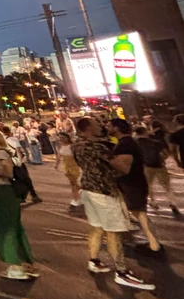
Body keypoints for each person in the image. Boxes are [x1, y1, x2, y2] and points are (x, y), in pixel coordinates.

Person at [73, 117, 154, 290]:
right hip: (104, 193)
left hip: (88, 190)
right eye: (96, 124)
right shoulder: (99, 147)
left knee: (97, 228)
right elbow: (122, 167)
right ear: (88, 128)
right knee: (114, 232)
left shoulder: (77, 145)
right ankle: (122, 272)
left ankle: (94, 261)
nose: (101, 126)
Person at [0, 130, 38, 280]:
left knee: (5, 228)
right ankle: (26, 263)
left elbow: (9, 173)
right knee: (14, 226)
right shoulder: (4, 152)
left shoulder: (1, 153)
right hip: (6, 193)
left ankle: (15, 266)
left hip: (5, 192)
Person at [110, 121, 161, 255]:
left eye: (109, 126)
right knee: (139, 213)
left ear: (116, 128)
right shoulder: (129, 142)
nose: (106, 128)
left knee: (140, 214)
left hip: (131, 184)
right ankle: (154, 244)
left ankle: (154, 246)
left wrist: (108, 161)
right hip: (135, 182)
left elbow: (124, 168)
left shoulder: (125, 145)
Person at [137, 126, 180, 215]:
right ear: (145, 132)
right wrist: (162, 159)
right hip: (160, 166)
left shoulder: (136, 143)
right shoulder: (155, 142)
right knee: (167, 186)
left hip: (147, 166)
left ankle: (153, 201)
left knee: (148, 185)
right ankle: (172, 202)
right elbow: (166, 153)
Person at [54, 131, 83, 211]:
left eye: (63, 137)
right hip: (67, 167)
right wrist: (57, 164)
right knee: (73, 183)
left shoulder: (72, 146)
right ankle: (76, 199)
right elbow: (59, 156)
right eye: (60, 138)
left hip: (75, 166)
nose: (61, 139)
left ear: (67, 138)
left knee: (78, 183)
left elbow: (78, 156)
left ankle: (79, 199)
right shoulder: (59, 146)